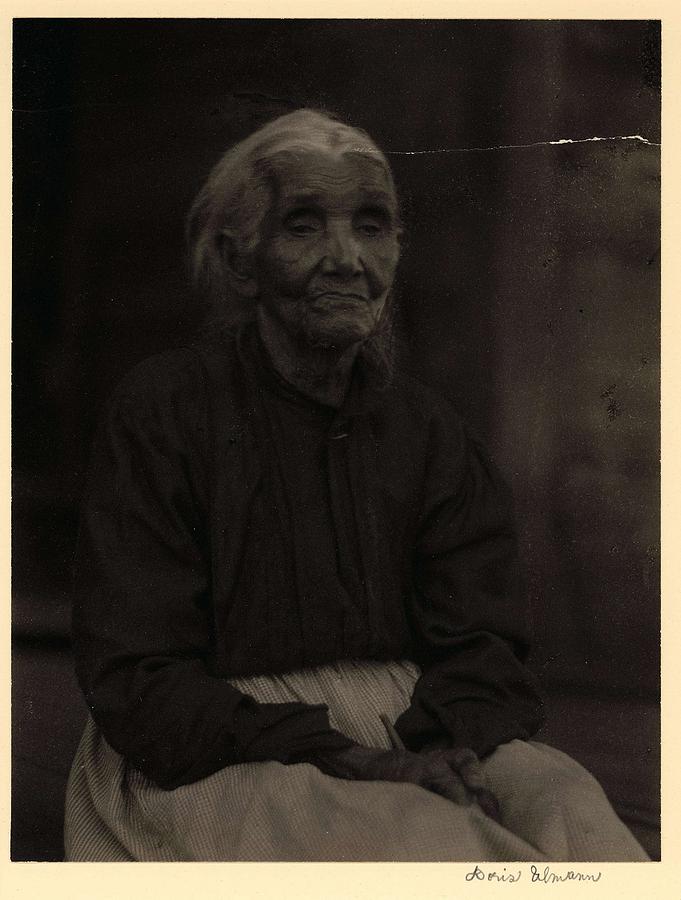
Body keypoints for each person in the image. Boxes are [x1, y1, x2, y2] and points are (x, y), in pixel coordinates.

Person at [64, 109, 648, 862]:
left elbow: (481, 640)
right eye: (303, 227)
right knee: (429, 844)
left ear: (397, 250)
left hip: (413, 724)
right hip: (215, 749)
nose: (346, 258)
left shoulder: (426, 433)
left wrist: (444, 748)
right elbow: (137, 675)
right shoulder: (165, 414)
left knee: (569, 812)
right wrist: (362, 765)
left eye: (371, 226)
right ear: (242, 262)